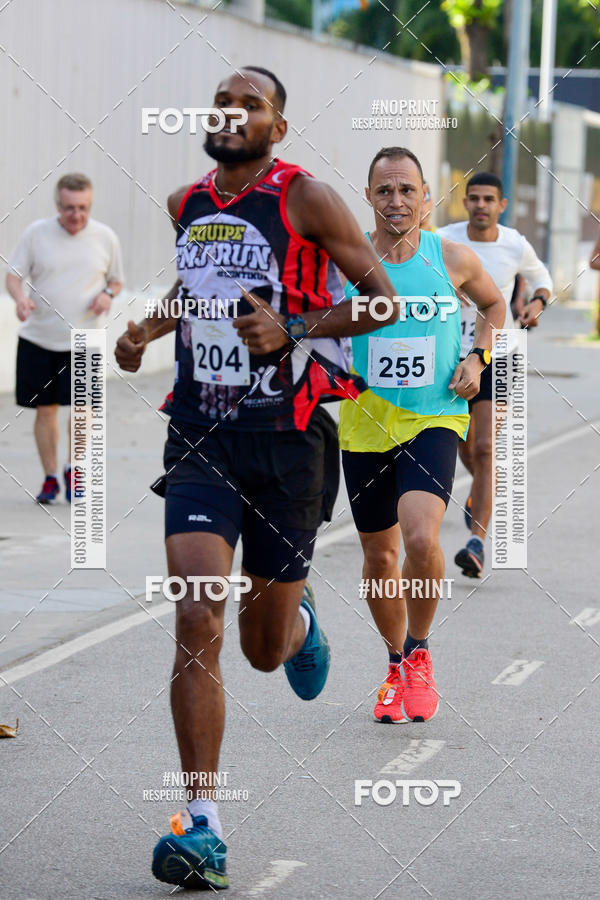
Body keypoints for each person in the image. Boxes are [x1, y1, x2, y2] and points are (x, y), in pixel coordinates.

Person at [115, 67, 395, 891]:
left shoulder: (306, 198)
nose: (232, 113)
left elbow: (380, 302)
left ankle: (299, 624)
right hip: (201, 433)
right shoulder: (185, 203)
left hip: (290, 441)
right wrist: (148, 330)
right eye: (222, 102)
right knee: (197, 611)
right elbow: (195, 288)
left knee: (262, 650)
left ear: (278, 126)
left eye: (251, 105)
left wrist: (295, 326)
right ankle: (202, 822)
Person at [338, 147, 505, 725]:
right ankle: (392, 664)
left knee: (418, 536)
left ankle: (419, 651)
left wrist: (478, 358)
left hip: (435, 416)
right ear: (368, 198)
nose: (397, 200)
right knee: (379, 556)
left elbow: (494, 303)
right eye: (385, 190)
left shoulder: (450, 257)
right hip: (364, 423)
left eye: (408, 190)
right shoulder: (347, 259)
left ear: (427, 198)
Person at [437, 172, 552, 577]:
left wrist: (536, 304)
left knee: (485, 448)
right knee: (464, 448)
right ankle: (480, 497)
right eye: (474, 198)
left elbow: (543, 279)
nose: (481, 205)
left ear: (501, 205)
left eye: (489, 199)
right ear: (464, 203)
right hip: (450, 353)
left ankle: (476, 544)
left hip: (501, 353)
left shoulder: (514, 244)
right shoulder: (443, 239)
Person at [6, 173, 123, 504]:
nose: (77, 215)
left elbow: (115, 281)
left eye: (83, 208)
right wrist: (20, 299)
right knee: (46, 411)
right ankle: (49, 478)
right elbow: (13, 276)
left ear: (90, 204)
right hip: (39, 339)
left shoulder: (105, 237)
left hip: (85, 340)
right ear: (58, 205)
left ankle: (75, 470)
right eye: (70, 208)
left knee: (82, 411)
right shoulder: (36, 234)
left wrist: (106, 294)